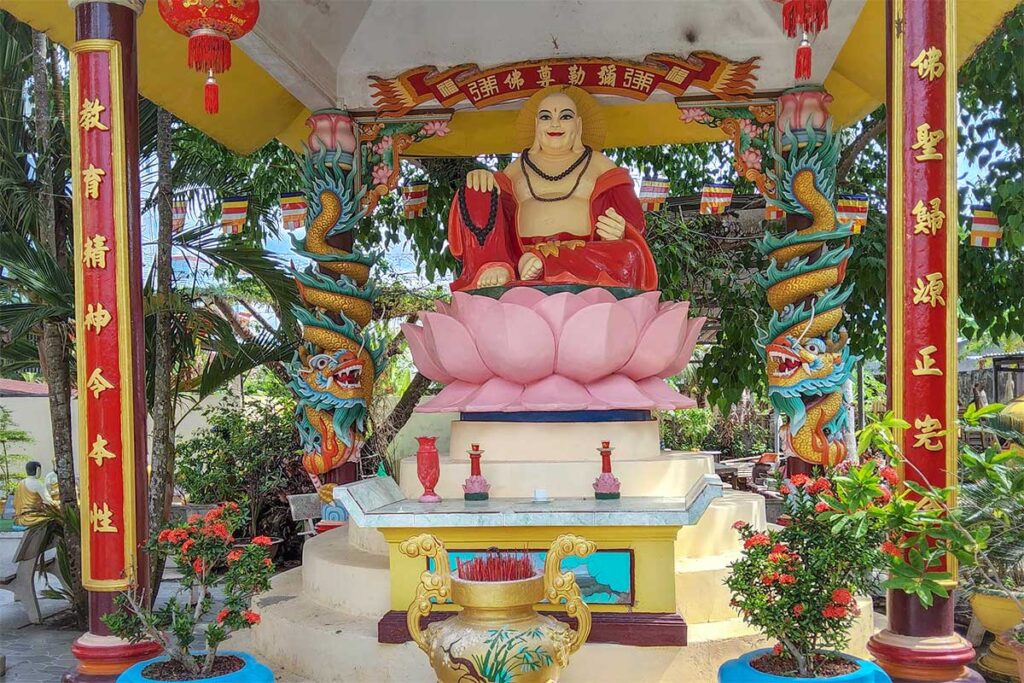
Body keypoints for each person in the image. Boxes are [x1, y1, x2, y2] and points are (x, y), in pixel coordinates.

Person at [448, 86, 657, 291]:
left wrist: (621, 230)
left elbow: (634, 224)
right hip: (521, 254)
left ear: (578, 125)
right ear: (536, 125)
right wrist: (482, 178)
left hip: (583, 254)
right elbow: (487, 210)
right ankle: (495, 265)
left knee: (630, 254)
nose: (555, 123)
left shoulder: (599, 164)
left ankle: (545, 263)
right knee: (477, 188)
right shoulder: (516, 169)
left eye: (565, 117)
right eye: (546, 117)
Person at [12, 461, 55, 528]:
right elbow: (48, 501)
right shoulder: (37, 484)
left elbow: (15, 503)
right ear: (38, 470)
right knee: (52, 519)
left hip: (20, 519)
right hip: (33, 518)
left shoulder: (21, 483)